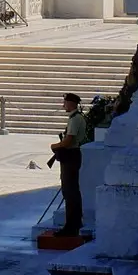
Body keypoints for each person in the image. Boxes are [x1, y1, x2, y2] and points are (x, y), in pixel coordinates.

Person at [50, 93, 92, 238]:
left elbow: (69, 140)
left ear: (72, 104)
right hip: (73, 155)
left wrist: (55, 145)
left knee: (69, 191)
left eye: (65, 102)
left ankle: (71, 225)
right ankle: (75, 222)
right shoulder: (77, 117)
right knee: (72, 190)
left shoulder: (75, 119)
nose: (63, 105)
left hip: (71, 155)